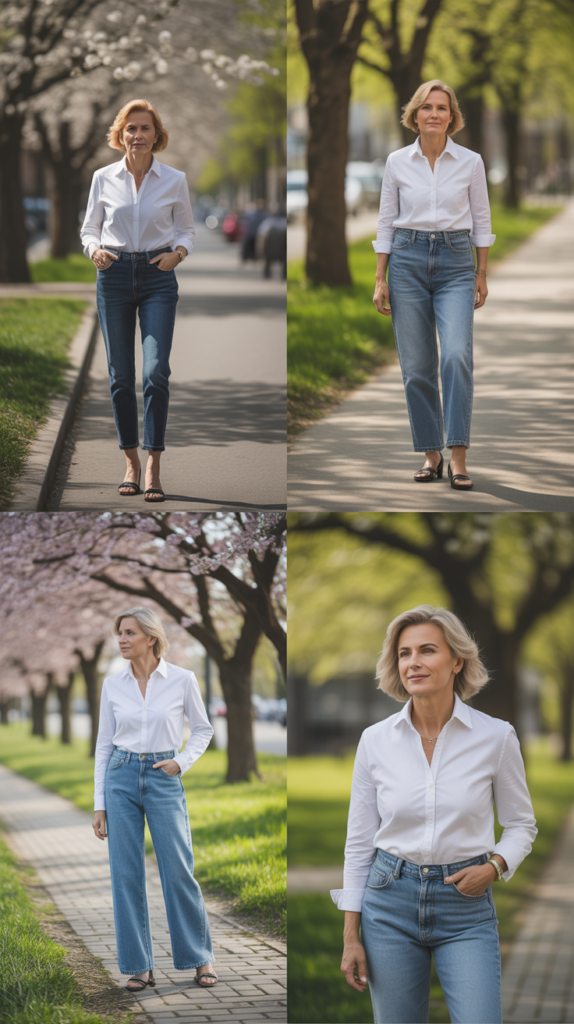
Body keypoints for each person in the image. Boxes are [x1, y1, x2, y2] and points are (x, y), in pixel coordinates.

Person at [331, 605, 537, 1024]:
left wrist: (495, 866)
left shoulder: (496, 737)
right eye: (404, 653)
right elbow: (358, 843)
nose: (413, 663)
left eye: (427, 650)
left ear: (457, 660)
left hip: (466, 906)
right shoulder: (375, 741)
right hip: (388, 903)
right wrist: (351, 936)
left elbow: (521, 825)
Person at [372, 81, 495, 491]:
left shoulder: (471, 162)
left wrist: (481, 273)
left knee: (456, 354)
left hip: (456, 263)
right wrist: (379, 278)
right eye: (427, 107)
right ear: (415, 115)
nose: (435, 114)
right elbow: (386, 220)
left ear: (452, 116)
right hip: (405, 262)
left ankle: (458, 455)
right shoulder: (396, 162)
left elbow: (481, 219)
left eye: (442, 107)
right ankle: (431, 452)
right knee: (417, 368)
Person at [92, 607, 218, 992]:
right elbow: (103, 745)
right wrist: (99, 803)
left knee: (178, 870)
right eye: (119, 633)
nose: (122, 639)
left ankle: (200, 958)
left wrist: (180, 763)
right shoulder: (113, 685)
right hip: (120, 776)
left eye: (129, 632)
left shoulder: (182, 679)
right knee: (125, 875)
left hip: (164, 777)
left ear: (151, 637)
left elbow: (202, 729)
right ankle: (139, 965)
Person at [81, 99, 195, 502]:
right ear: (120, 135)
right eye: (131, 129)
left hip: (157, 277)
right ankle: (129, 461)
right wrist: (93, 249)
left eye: (145, 128)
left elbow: (186, 231)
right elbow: (89, 228)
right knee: (119, 377)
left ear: (156, 135)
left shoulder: (174, 179)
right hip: (112, 276)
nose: (138, 135)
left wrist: (176, 255)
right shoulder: (103, 178)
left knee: (155, 372)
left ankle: (153, 465)